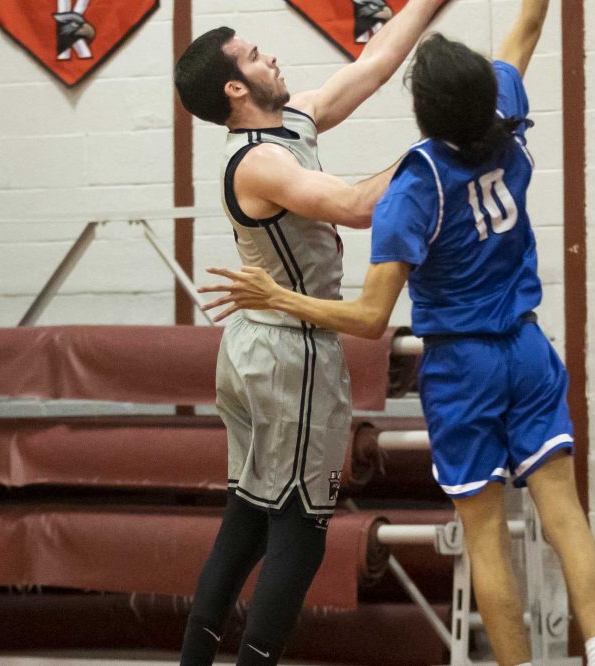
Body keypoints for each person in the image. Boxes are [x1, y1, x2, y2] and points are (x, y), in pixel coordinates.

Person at [198, 1, 595, 665]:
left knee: (484, 541)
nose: (269, 56)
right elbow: (528, 27)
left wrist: (278, 296)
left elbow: (370, 313)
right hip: (523, 349)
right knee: (564, 514)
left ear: (425, 115)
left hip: (457, 365)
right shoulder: (502, 113)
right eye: (254, 55)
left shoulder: (412, 188)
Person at [173, 2, 445, 665]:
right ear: (234, 88)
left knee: (245, 522)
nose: (269, 54)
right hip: (286, 350)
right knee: (301, 526)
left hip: (268, 345)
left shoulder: (293, 118)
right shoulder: (256, 161)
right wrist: (441, 145)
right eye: (252, 53)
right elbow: (355, 208)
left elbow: (376, 65)